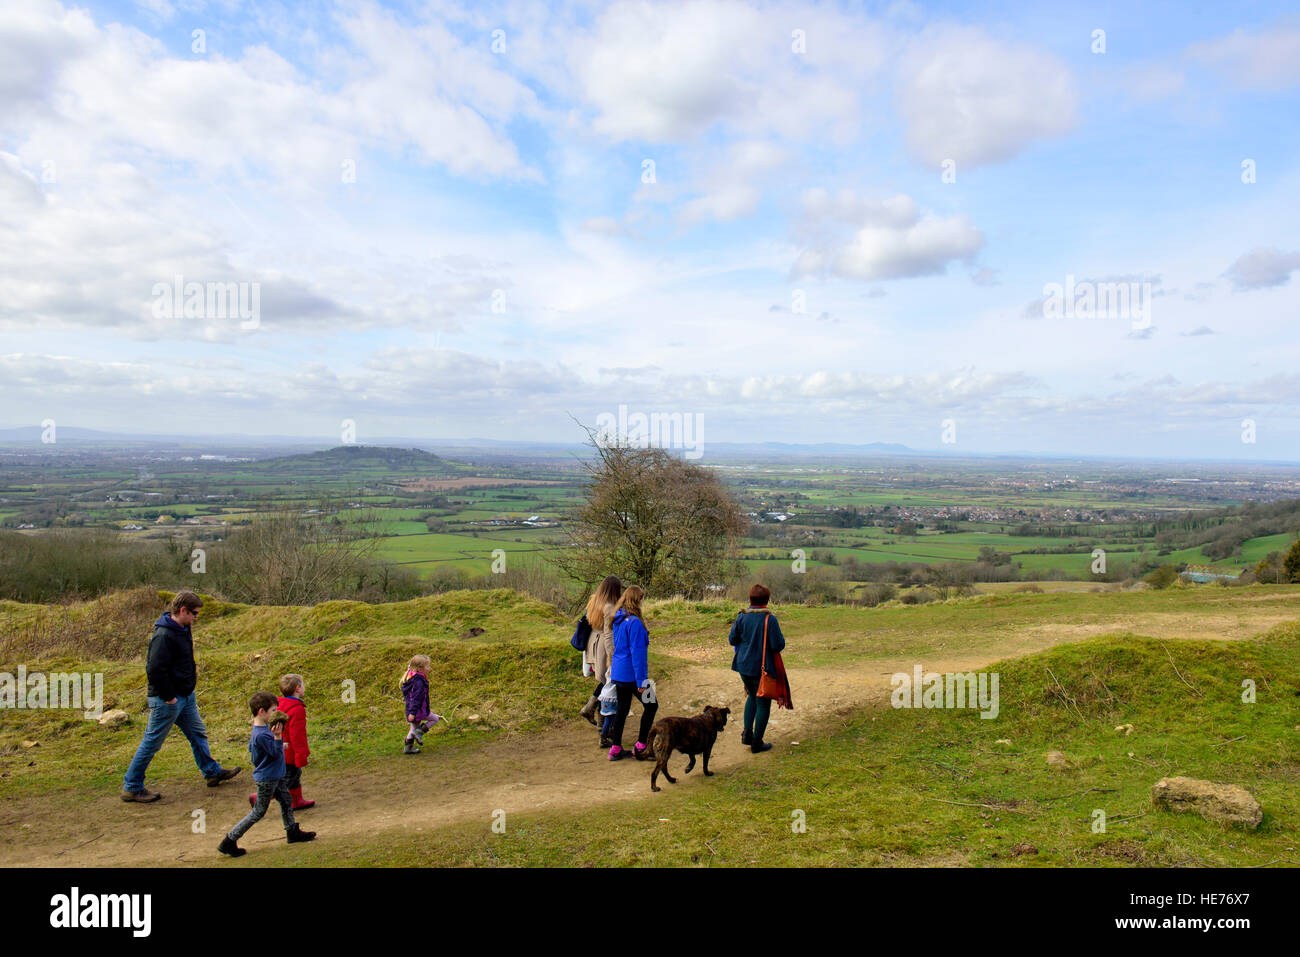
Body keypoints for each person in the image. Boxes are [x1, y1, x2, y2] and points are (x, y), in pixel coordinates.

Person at [122, 590, 240, 802]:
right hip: (168, 700)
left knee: (197, 733)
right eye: (194, 613)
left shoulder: (182, 628)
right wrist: (169, 697)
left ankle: (212, 772)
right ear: (182, 610)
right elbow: (155, 669)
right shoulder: (164, 635)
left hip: (185, 696)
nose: (196, 617)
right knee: (152, 742)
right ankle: (132, 786)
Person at [218, 692, 315, 857]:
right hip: (268, 779)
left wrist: (277, 742)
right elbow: (275, 754)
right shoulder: (262, 734)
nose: (275, 713)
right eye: (273, 710)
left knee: (286, 801)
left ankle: (292, 831)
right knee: (259, 811)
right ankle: (229, 840)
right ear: (261, 711)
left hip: (274, 776)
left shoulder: (260, 730)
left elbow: (257, 752)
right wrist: (278, 738)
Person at [728, 584, 786, 753]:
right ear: (767, 600)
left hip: (742, 665)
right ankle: (757, 743)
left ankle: (747, 734)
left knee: (752, 696)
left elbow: (732, 639)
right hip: (762, 668)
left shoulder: (742, 616)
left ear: (750, 599)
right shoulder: (770, 619)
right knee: (763, 703)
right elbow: (778, 645)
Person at [607, 585, 658, 761]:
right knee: (652, 706)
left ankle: (615, 748)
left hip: (619, 671)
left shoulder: (618, 619)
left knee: (622, 709)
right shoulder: (635, 623)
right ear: (637, 600)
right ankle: (641, 745)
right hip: (633, 674)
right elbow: (638, 654)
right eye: (642, 598)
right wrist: (642, 681)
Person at [579, 576, 623, 725]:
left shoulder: (593, 600)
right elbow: (609, 634)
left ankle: (594, 711)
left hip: (592, 642)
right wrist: (613, 656)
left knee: (605, 681)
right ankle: (597, 715)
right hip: (603, 646)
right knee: (608, 681)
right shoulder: (609, 607)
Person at [276, 674, 314, 810]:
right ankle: (259, 797)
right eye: (303, 685)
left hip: (281, 749)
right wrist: (300, 756)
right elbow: (297, 736)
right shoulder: (297, 709)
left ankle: (296, 800)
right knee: (289, 778)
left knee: (293, 776)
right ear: (298, 688)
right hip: (290, 752)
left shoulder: (281, 705)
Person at [401, 655, 441, 754]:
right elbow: (416, 698)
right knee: (434, 719)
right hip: (419, 710)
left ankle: (408, 747)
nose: (429, 669)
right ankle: (419, 733)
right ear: (420, 668)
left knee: (413, 727)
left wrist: (411, 711)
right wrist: (413, 712)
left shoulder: (413, 676)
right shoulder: (418, 681)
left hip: (414, 710)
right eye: (427, 667)